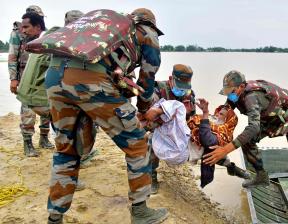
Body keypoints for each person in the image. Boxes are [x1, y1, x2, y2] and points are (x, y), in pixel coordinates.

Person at [44, 8, 166, 224]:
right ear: (149, 23)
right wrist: (144, 107)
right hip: (88, 80)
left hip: (54, 75)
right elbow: (148, 75)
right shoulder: (147, 32)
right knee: (137, 142)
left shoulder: (106, 31)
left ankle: (55, 217)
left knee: (66, 149)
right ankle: (140, 211)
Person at [203, 70, 288, 223]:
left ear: (242, 86)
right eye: (227, 92)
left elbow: (253, 128)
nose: (230, 95)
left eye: (232, 91)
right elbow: (231, 101)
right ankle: (262, 176)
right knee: (248, 141)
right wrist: (224, 111)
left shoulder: (251, 98)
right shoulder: (239, 92)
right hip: (274, 118)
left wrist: (225, 149)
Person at [8, 6, 53, 157]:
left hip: (43, 80)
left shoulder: (45, 35)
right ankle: (28, 143)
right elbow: (13, 57)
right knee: (28, 111)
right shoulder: (18, 34)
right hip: (25, 78)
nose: (24, 29)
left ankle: (44, 139)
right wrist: (13, 79)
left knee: (47, 109)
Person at [149, 64, 196, 194]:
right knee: (149, 142)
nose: (182, 90)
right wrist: (165, 118)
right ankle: (151, 175)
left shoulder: (189, 95)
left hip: (178, 130)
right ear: (171, 79)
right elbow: (148, 119)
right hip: (159, 128)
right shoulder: (157, 91)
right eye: (179, 86)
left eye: (185, 87)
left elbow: (191, 118)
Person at [189, 98, 250, 188]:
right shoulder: (211, 120)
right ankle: (233, 169)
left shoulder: (223, 133)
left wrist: (205, 117)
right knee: (222, 159)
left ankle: (234, 170)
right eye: (218, 112)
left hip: (198, 154)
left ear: (227, 120)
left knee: (219, 156)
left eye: (221, 114)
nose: (217, 115)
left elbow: (208, 141)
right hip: (198, 150)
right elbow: (193, 119)